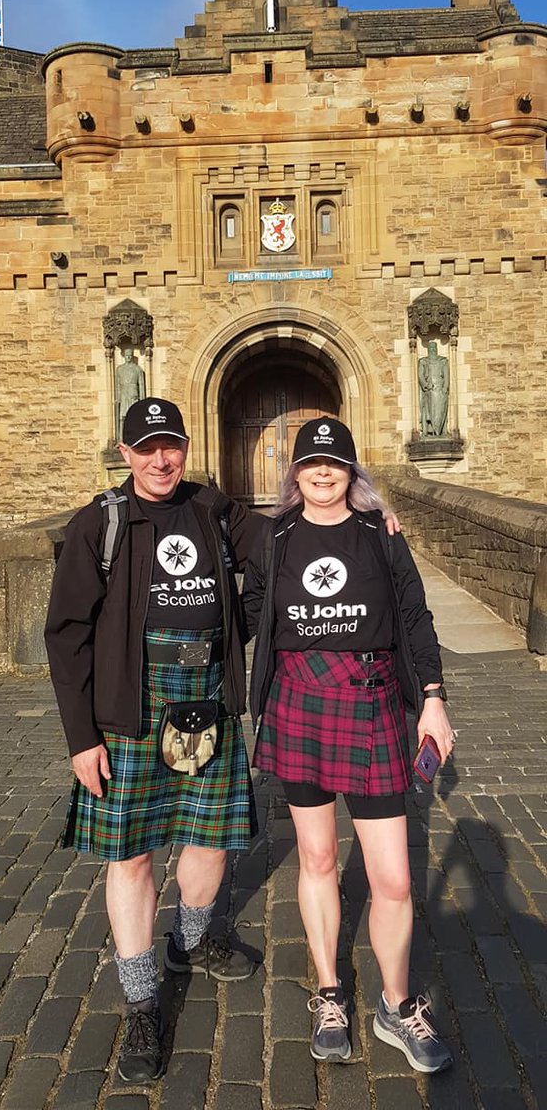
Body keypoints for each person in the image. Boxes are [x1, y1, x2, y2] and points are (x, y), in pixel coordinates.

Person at [45, 397, 264, 1084]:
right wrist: (82, 738)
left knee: (210, 839)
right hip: (130, 708)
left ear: (184, 445)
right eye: (146, 448)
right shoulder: (100, 524)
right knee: (133, 857)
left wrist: (368, 520)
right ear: (125, 451)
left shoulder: (215, 511)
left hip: (208, 697)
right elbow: (66, 635)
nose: (160, 458)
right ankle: (143, 1002)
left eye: (170, 445)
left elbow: (286, 548)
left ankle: (191, 943)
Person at [243, 416, 455, 1073]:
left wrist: (435, 699)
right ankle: (331, 993)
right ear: (296, 472)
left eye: (335, 463)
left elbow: (415, 615)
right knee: (316, 858)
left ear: (352, 471)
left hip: (369, 700)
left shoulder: (380, 537)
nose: (324, 473)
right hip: (299, 702)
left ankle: (396, 1005)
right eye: (312, 463)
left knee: (391, 878)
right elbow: (244, 610)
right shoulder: (274, 537)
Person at [418, 341, 449, 437]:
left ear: (436, 349)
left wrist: (445, 388)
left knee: (440, 411)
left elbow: (446, 376)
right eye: (430, 348)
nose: (432, 350)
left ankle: (441, 430)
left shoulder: (442, 361)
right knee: (427, 410)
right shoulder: (423, 361)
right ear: (428, 350)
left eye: (434, 348)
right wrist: (426, 385)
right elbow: (421, 375)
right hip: (429, 390)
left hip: (440, 389)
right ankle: (427, 431)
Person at [115, 347, 146, 440]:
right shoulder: (119, 369)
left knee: (135, 415)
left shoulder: (138, 369)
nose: (128, 357)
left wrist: (142, 399)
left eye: (130, 355)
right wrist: (118, 397)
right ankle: (121, 438)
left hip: (133, 394)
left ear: (132, 356)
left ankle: (136, 436)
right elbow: (118, 384)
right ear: (124, 356)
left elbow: (141, 384)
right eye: (127, 356)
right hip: (124, 394)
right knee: (123, 417)